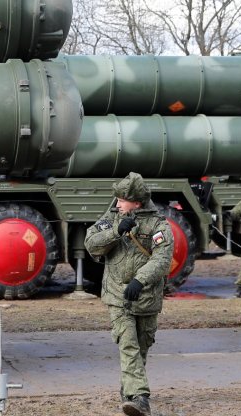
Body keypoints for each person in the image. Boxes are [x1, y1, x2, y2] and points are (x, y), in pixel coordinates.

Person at [84, 172, 173, 416]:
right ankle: (141, 398)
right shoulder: (111, 217)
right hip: (116, 295)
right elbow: (91, 244)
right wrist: (115, 232)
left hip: (146, 297)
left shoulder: (159, 225)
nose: (117, 203)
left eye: (122, 199)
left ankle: (129, 391)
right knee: (128, 344)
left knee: (142, 347)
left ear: (137, 202)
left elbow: (163, 259)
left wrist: (139, 280)